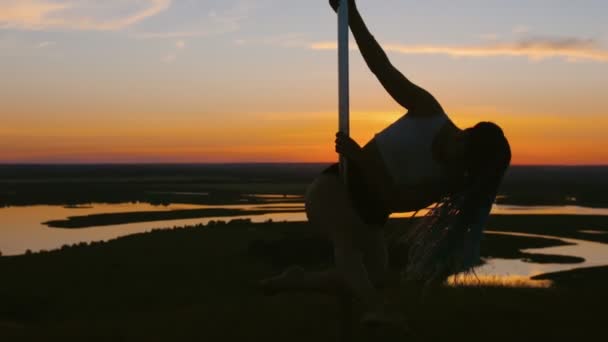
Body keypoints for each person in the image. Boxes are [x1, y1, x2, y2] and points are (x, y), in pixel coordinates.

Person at [260, 0, 511, 324]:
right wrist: (350, 12)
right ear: (467, 135)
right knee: (347, 246)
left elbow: (396, 200)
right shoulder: (427, 110)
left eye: (465, 166)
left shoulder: (450, 179)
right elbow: (381, 66)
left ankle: (298, 280)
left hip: (371, 217)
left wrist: (364, 158)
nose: (456, 163)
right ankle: (377, 310)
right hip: (335, 190)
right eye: (462, 156)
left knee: (373, 275)